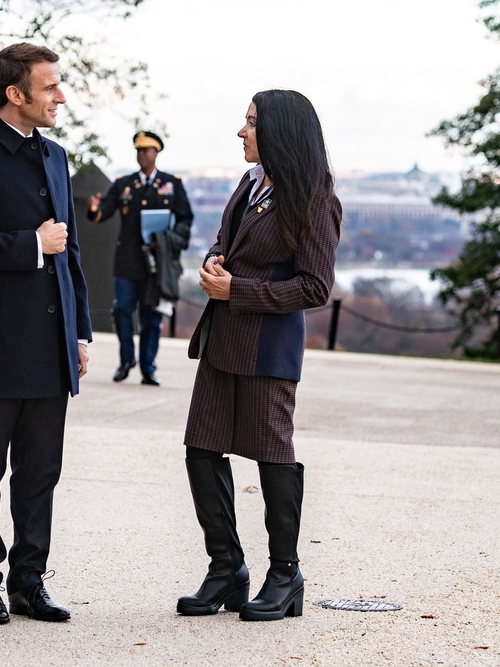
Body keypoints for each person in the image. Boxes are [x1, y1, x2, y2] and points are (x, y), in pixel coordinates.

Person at [177, 90, 342, 622]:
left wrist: (237, 291)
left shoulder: (315, 198)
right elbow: (223, 243)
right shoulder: (248, 185)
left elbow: (314, 287)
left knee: (273, 457)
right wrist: (212, 265)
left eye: (250, 123)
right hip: (222, 340)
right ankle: (226, 568)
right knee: (201, 450)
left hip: (269, 349)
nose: (241, 132)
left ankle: (285, 574)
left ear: (280, 132)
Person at [0, 42, 93, 625]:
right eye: (50, 87)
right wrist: (29, 245)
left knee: (41, 473)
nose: (60, 96)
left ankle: (29, 583)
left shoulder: (58, 155)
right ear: (15, 94)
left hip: (51, 345)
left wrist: (80, 332)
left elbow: (73, 254)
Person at [87, 131, 193, 386]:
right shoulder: (124, 183)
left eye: (147, 150)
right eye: (139, 150)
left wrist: (170, 240)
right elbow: (105, 210)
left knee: (151, 316)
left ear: (157, 152)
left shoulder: (171, 184)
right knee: (123, 310)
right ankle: (126, 361)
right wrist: (94, 211)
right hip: (127, 261)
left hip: (156, 264)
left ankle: (148, 366)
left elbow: (185, 219)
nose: (142, 154)